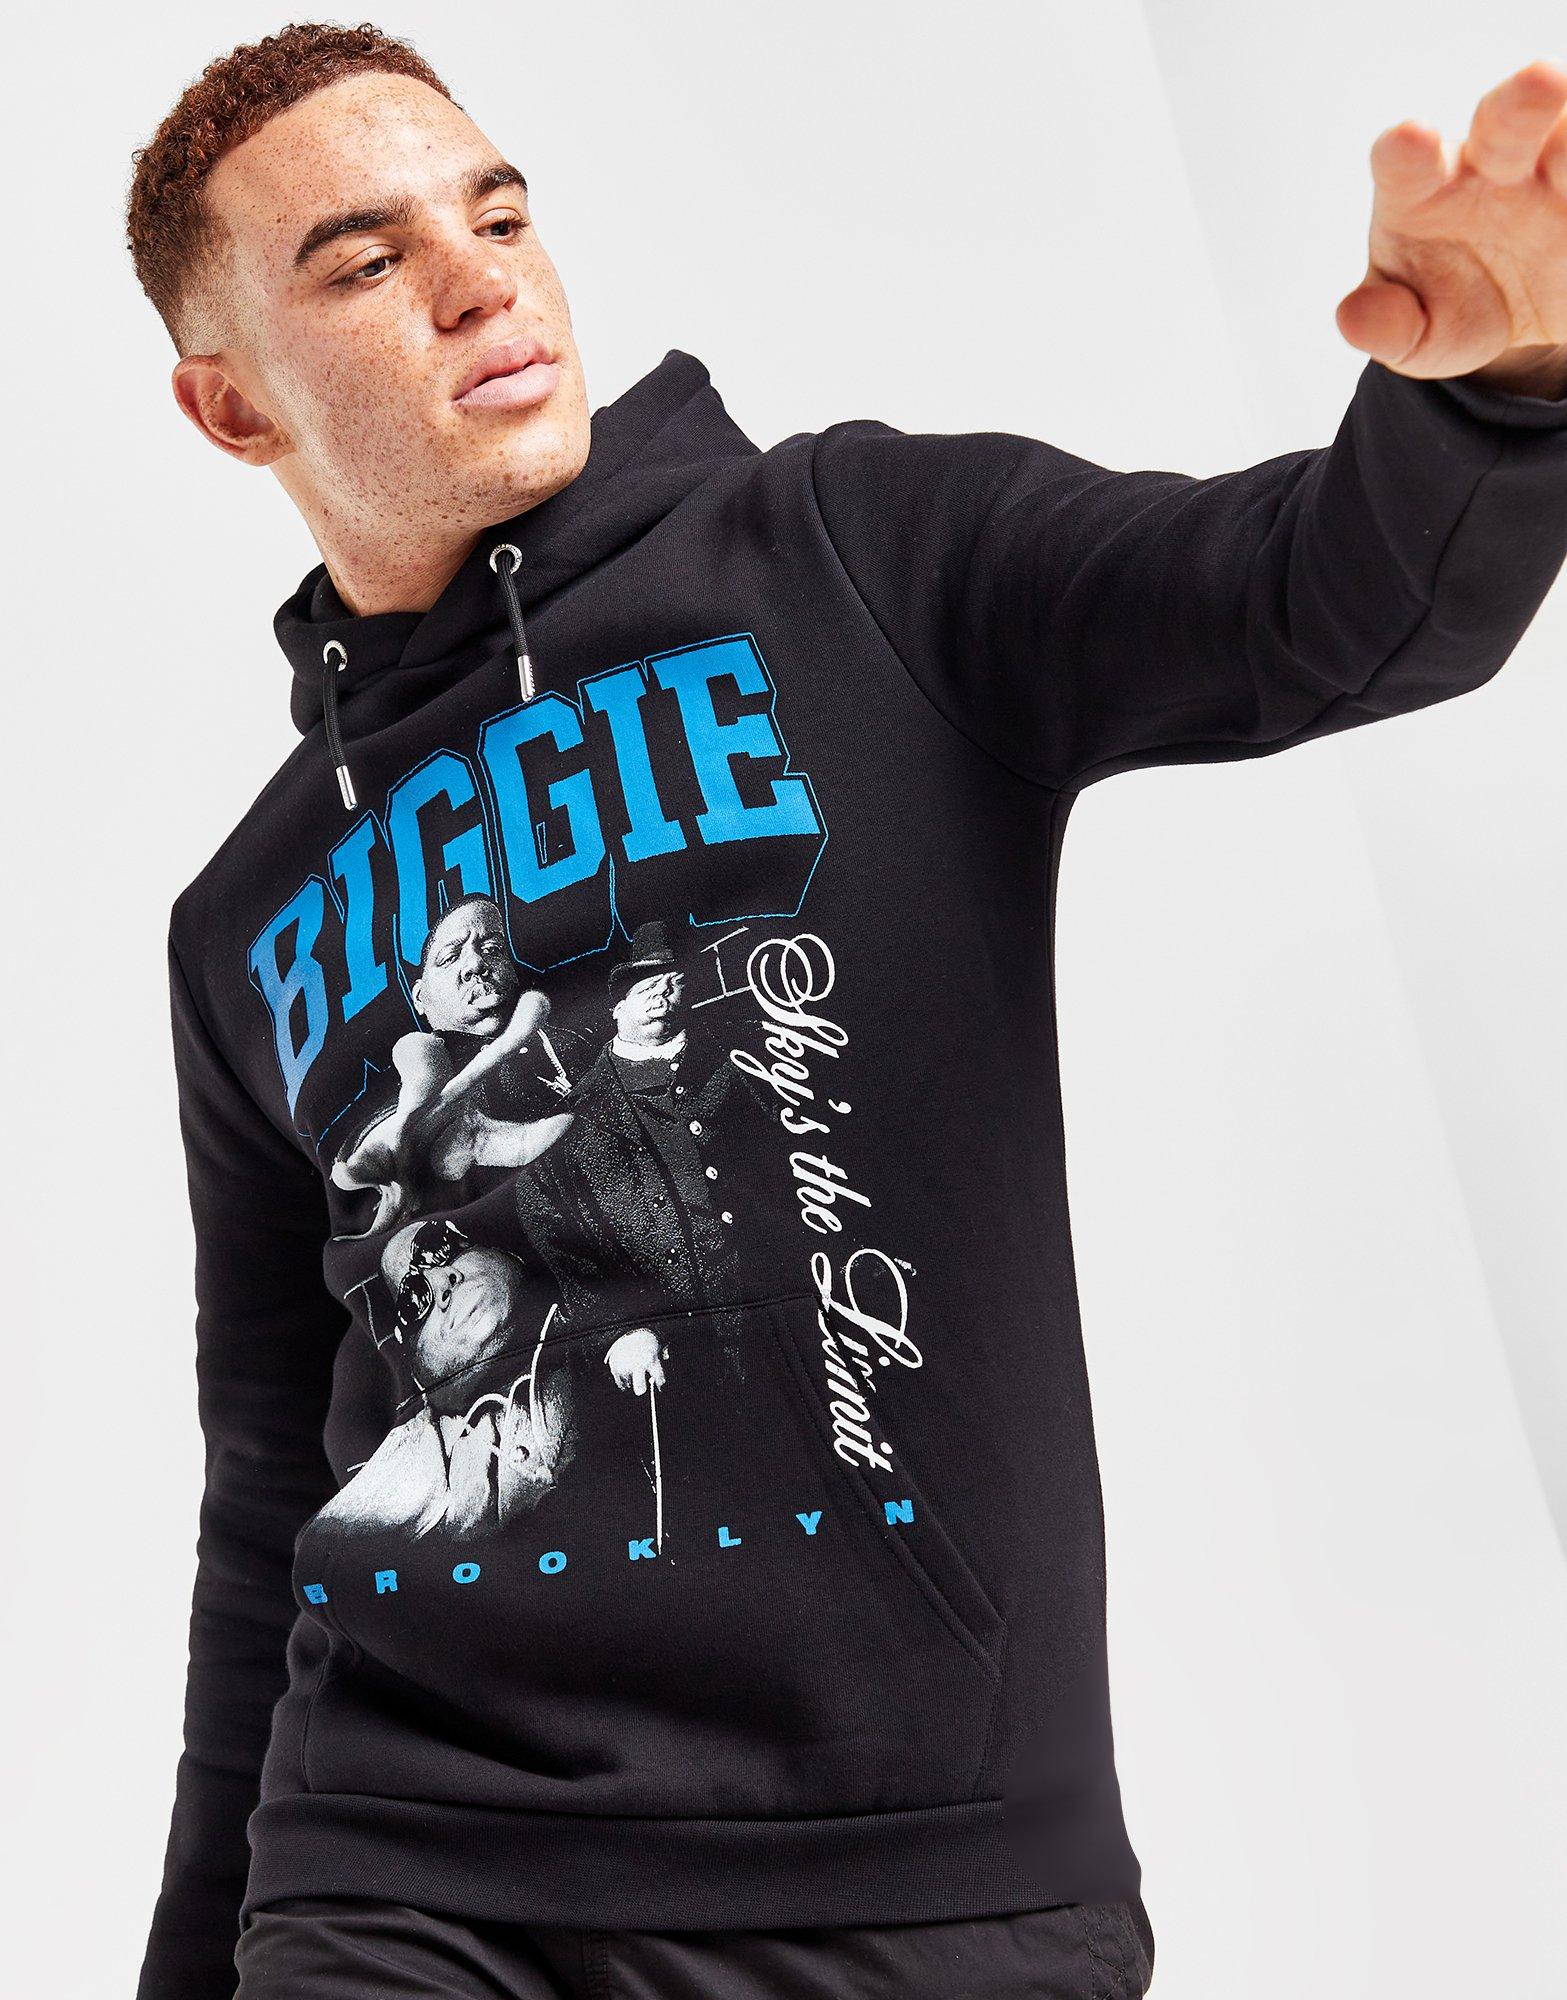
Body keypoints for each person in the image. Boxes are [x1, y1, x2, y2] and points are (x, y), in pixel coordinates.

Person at [126, 22, 1567, 2000]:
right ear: (233, 406)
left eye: (501, 217)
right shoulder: (246, 920)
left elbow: (1308, 602)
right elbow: (268, 1504)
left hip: (923, 1882)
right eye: (365, 263)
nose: (477, 282)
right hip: (399, 1873)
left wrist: (1494, 392)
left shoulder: (860, 557)